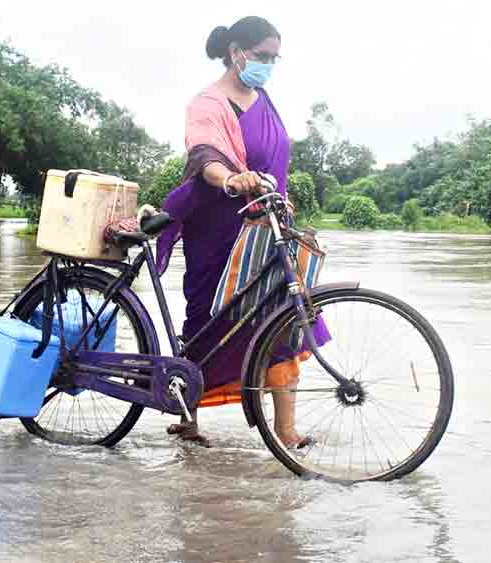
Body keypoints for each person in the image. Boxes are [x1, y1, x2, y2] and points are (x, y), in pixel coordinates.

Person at [156, 16, 319, 447]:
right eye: (262, 56)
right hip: (217, 227)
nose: (268, 64)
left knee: (281, 318)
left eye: (273, 58)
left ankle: (286, 431)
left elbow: (277, 158)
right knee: (206, 321)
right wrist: (229, 178)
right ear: (236, 53)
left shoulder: (264, 99)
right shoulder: (207, 103)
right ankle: (188, 421)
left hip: (265, 227)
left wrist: (279, 199)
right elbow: (205, 155)